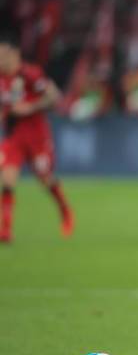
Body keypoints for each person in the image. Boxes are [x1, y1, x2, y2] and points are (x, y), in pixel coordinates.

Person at [0, 32, 73, 243]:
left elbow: (54, 96)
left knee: (45, 179)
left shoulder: (30, 74)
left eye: (4, 55)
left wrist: (30, 107)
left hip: (37, 136)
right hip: (13, 137)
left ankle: (64, 209)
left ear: (15, 55)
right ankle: (6, 230)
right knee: (7, 179)